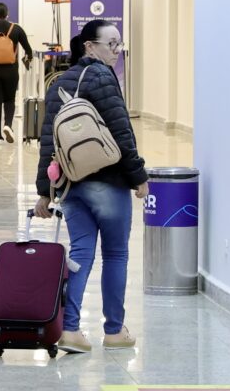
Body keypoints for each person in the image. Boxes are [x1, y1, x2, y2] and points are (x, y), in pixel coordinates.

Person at [34, 19, 147, 354]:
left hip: (71, 184)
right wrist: (138, 177)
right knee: (116, 253)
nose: (116, 51)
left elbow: (47, 139)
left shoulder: (59, 82)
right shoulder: (102, 77)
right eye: (111, 44)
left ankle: (69, 329)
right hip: (108, 182)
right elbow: (121, 131)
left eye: (119, 45)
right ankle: (113, 330)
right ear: (90, 46)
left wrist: (46, 189)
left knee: (81, 251)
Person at [0, 2, 34, 143]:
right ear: (7, 14)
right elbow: (28, 50)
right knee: (9, 100)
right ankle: (8, 125)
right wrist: (27, 61)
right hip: (11, 71)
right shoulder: (16, 29)